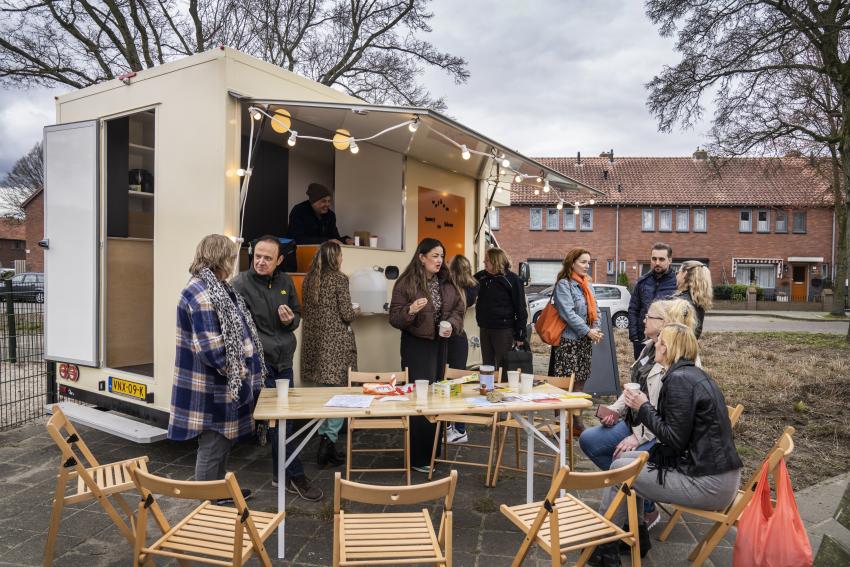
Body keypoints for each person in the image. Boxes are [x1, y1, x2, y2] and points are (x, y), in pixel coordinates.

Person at [589, 323, 743, 566]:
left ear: (669, 349)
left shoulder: (680, 380)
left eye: (659, 342)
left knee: (622, 472)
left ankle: (604, 546)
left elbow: (673, 438)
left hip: (710, 484)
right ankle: (635, 536)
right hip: (712, 472)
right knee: (625, 462)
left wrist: (643, 406)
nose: (654, 345)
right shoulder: (691, 375)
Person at [579, 298, 697, 530]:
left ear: (664, 323)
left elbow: (666, 415)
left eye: (649, 316)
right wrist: (615, 409)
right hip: (637, 423)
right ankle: (634, 493)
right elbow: (634, 386)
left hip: (659, 435)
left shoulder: (680, 362)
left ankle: (644, 506)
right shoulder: (650, 346)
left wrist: (638, 438)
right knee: (589, 440)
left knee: (623, 462)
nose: (643, 319)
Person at [168, 234, 264, 502]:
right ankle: (208, 499)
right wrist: (240, 371)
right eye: (232, 258)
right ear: (221, 258)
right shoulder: (200, 293)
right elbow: (212, 349)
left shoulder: (217, 287)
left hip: (221, 385)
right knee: (213, 444)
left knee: (223, 440)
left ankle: (221, 490)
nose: (234, 263)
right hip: (210, 386)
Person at [232, 235, 322, 501]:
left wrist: (290, 319)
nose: (260, 261)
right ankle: (295, 476)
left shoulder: (284, 282)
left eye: (267, 258)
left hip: (285, 361)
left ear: (279, 260)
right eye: (257, 256)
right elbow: (238, 328)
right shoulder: (239, 285)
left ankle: (278, 475)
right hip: (262, 365)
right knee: (280, 422)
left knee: (286, 420)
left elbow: (296, 316)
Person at [389, 238, 465, 474]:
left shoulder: (447, 281)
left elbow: (458, 309)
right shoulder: (406, 283)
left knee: (437, 397)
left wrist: (451, 324)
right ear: (421, 257)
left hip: (441, 345)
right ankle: (417, 456)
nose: (439, 260)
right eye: (434, 255)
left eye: (441, 255)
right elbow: (394, 317)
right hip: (417, 346)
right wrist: (410, 310)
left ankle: (433, 452)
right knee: (419, 400)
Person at [301, 240, 359, 467]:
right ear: (336, 257)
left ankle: (327, 444)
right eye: (341, 255)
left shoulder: (309, 279)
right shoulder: (339, 278)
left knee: (325, 397)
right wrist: (357, 310)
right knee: (340, 396)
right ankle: (327, 445)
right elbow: (346, 314)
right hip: (336, 346)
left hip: (316, 344)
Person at [551, 248, 603, 395]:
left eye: (589, 262)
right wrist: (588, 331)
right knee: (564, 386)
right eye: (583, 262)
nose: (587, 266)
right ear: (572, 264)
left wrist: (596, 329)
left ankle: (576, 417)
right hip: (569, 342)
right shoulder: (563, 284)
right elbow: (568, 313)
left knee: (580, 385)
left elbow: (596, 309)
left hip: (585, 343)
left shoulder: (587, 284)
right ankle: (561, 418)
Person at [473, 248, 527, 370]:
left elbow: (521, 309)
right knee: (487, 365)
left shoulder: (513, 280)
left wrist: (520, 335)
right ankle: (487, 387)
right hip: (485, 327)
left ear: (495, 261)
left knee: (503, 366)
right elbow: (466, 283)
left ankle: (504, 387)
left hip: (503, 330)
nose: (483, 262)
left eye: (487, 260)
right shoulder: (481, 277)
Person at [445, 254, 479, 444]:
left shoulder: (448, 288)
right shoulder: (472, 289)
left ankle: (455, 427)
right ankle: (457, 427)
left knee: (448, 383)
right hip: (460, 338)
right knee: (456, 384)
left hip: (451, 338)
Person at [627, 243, 678, 359]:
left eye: (661, 259)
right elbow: (633, 309)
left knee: (662, 374)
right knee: (641, 371)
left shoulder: (677, 283)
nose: (657, 262)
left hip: (666, 340)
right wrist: (634, 336)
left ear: (669, 260)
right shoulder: (642, 282)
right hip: (642, 339)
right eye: (654, 259)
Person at [286, 182, 353, 245]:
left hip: (324, 253)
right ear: (313, 202)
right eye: (323, 201)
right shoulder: (299, 211)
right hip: (300, 253)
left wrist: (345, 240)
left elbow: (334, 238)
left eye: (329, 201)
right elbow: (296, 239)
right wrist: (326, 241)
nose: (327, 204)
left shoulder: (330, 215)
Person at [673, 260, 713, 338]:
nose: (676, 275)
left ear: (685, 274)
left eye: (678, 272)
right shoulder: (698, 301)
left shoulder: (681, 302)